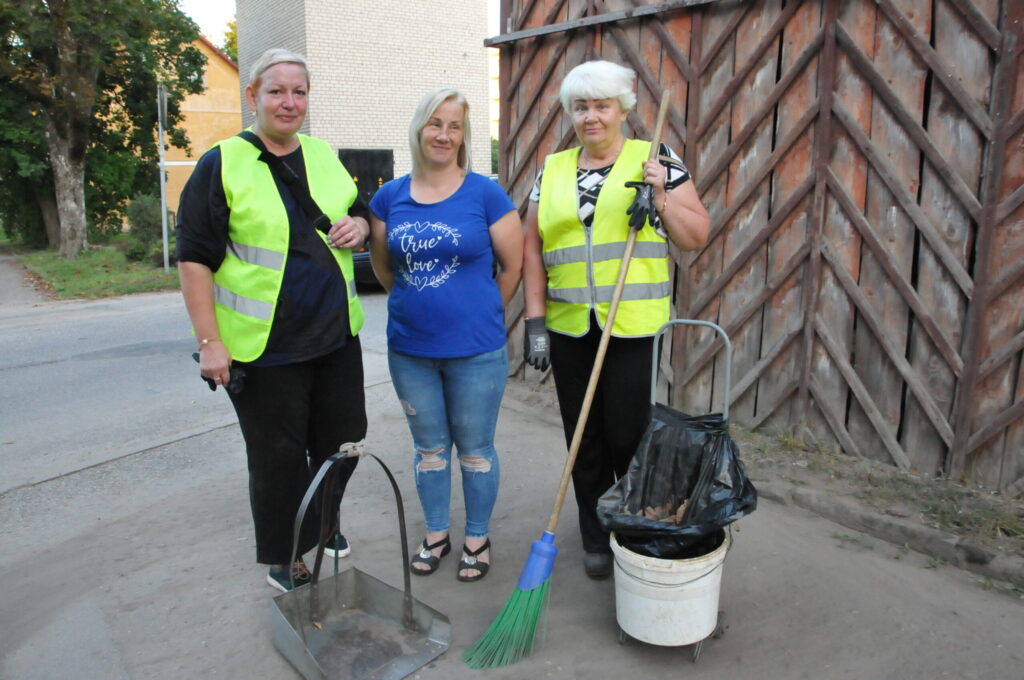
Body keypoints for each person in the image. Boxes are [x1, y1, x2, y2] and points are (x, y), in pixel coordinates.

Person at [177, 48, 369, 592]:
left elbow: (358, 210)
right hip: (264, 349)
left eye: (299, 92)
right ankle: (287, 556)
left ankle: (323, 521)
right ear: (253, 97)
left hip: (335, 337)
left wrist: (358, 224)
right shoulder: (222, 163)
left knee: (343, 441)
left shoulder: (324, 155)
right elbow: (194, 258)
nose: (290, 102)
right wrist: (209, 341)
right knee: (278, 458)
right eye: (277, 91)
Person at [521, 60, 710, 579]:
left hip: (631, 326)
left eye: (602, 105)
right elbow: (532, 248)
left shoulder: (655, 159)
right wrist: (535, 322)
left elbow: (697, 235)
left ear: (622, 109)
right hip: (568, 327)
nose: (591, 116)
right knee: (582, 439)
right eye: (581, 107)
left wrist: (663, 200)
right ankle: (594, 537)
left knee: (627, 436)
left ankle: (631, 531)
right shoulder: (552, 169)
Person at [368, 88, 522, 582]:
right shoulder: (388, 198)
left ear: (464, 137)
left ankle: (477, 537)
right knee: (430, 450)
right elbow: (384, 269)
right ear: (418, 129)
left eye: (454, 126)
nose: (444, 134)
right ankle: (437, 533)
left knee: (476, 450)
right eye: (435, 123)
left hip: (477, 351)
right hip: (411, 351)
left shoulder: (486, 194)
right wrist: (422, 308)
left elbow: (513, 266)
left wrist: (475, 312)